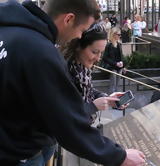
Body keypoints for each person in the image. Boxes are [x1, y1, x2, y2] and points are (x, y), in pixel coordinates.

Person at [0, 0, 145, 166]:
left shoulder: (8, 29)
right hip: (18, 154)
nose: (79, 37)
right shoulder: (41, 52)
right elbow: (68, 124)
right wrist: (120, 156)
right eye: (82, 30)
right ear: (68, 19)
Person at [63, 23, 126, 123]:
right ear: (79, 47)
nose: (98, 58)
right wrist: (92, 107)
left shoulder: (83, 67)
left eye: (101, 52)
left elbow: (89, 90)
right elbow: (63, 113)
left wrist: (107, 99)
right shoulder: (64, 70)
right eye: (94, 52)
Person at [102, 27, 124, 93]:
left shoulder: (119, 44)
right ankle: (111, 96)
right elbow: (105, 58)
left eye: (120, 34)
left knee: (117, 86)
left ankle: (117, 97)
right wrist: (115, 64)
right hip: (111, 67)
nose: (120, 36)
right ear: (114, 34)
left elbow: (121, 57)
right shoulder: (109, 45)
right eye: (118, 34)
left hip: (118, 67)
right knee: (113, 85)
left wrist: (123, 64)